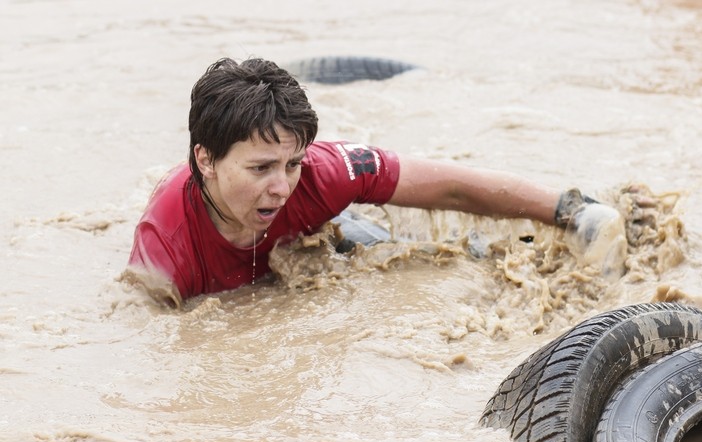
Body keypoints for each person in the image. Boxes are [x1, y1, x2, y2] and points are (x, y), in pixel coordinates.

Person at [126, 57, 624, 307]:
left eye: (292, 163)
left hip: (324, 237)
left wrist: (570, 211)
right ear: (206, 161)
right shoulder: (163, 252)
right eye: (260, 169)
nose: (282, 186)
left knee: (427, 260)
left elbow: (452, 185)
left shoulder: (324, 171)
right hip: (226, 284)